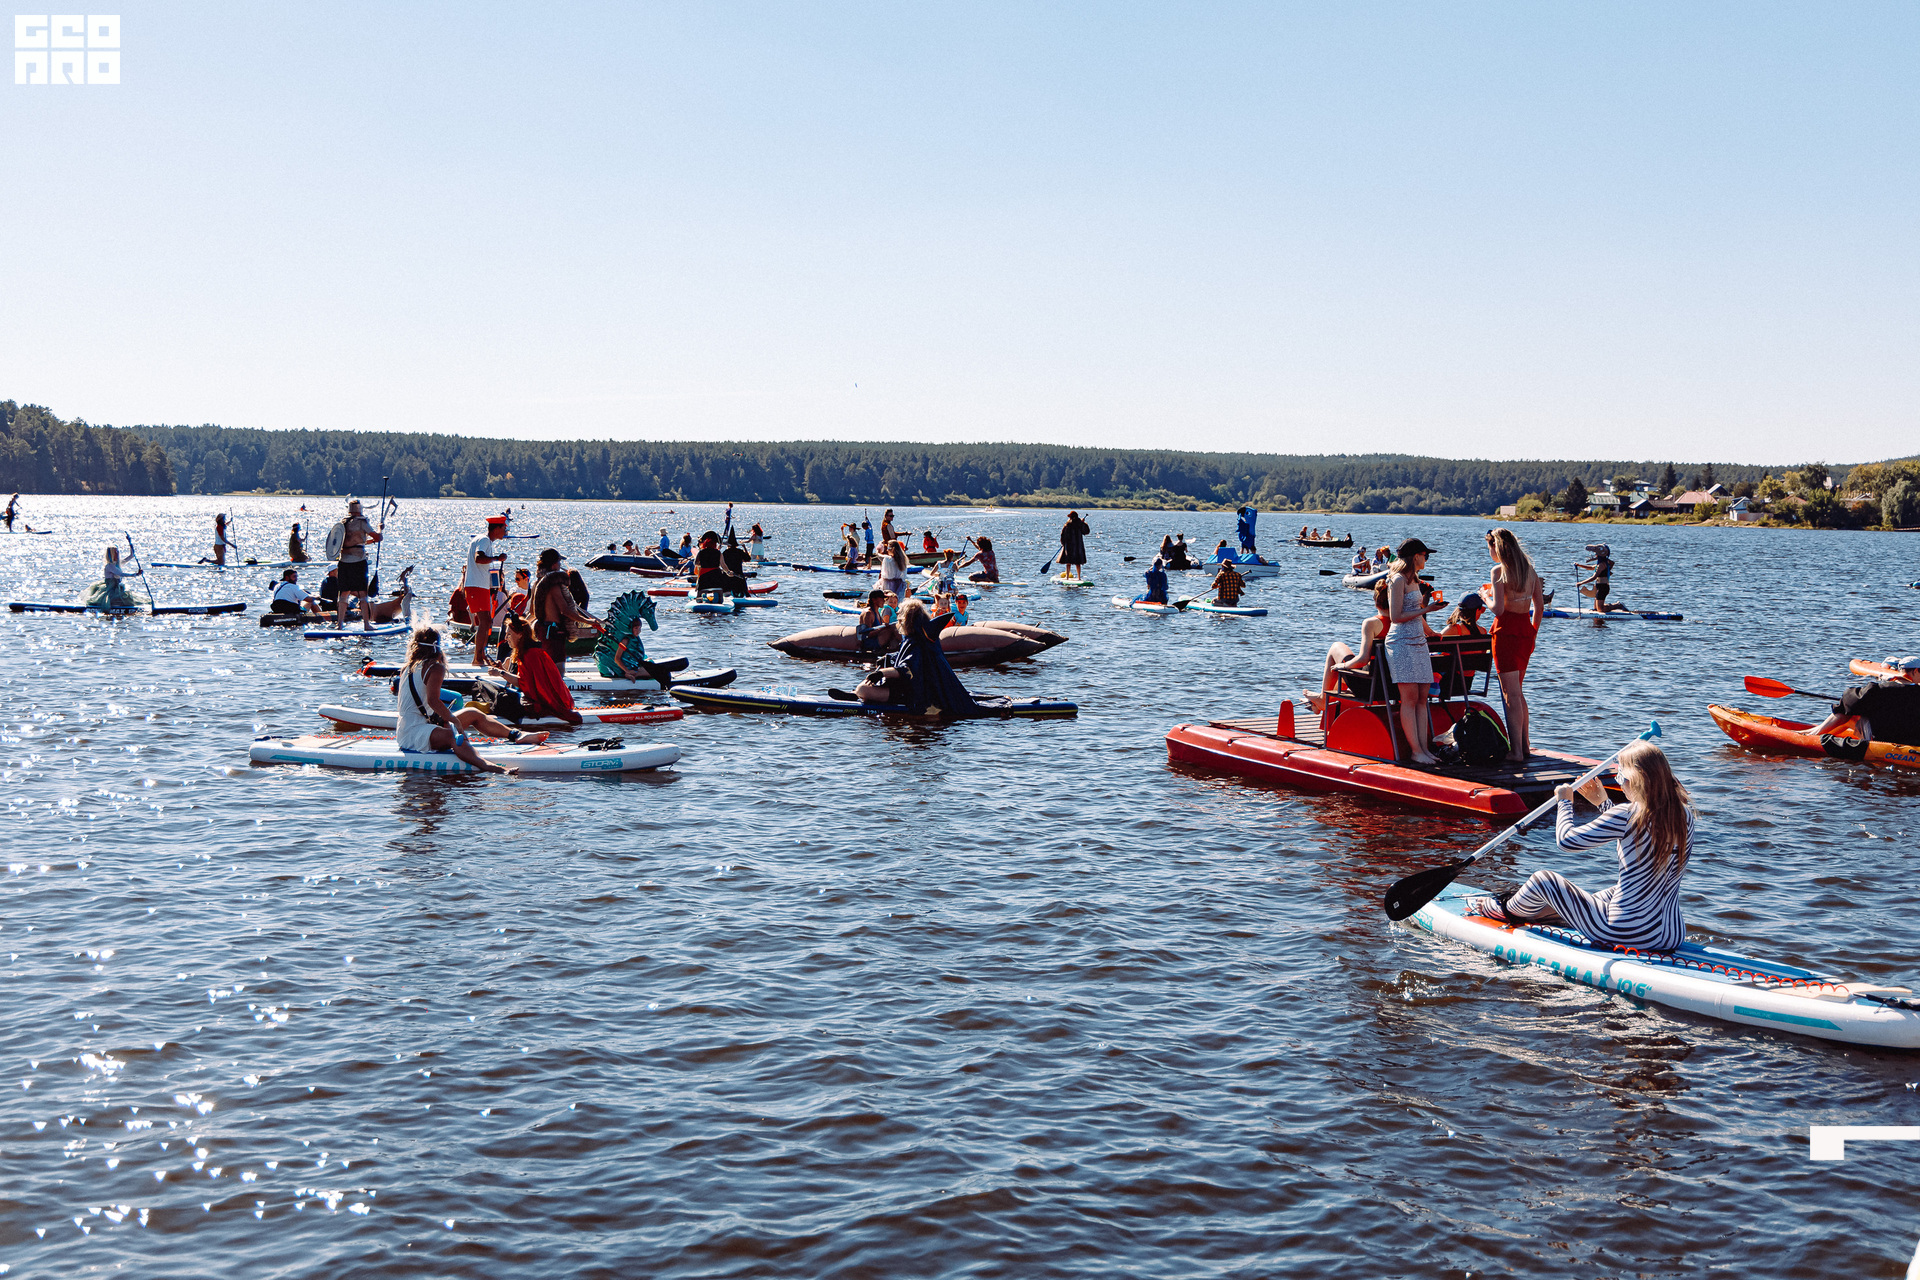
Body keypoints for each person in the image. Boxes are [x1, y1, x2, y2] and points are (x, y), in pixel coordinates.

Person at [1467, 740, 1693, 952]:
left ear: (1636, 779)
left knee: (1543, 880)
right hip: (1670, 934)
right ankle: (1553, 914)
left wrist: (1564, 801)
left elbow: (1566, 841)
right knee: (1616, 892)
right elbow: (1636, 835)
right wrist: (1602, 803)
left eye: (1620, 776)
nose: (1619, 783)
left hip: (1627, 933)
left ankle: (1501, 909)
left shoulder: (1626, 814)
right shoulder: (1683, 815)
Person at [395, 628, 522, 774]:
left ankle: (515, 735)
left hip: (410, 728)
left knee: (472, 713)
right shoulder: (435, 667)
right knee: (453, 736)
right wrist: (454, 720)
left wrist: (449, 719)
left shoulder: (406, 667)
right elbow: (433, 701)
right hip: (414, 732)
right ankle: (490, 766)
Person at [1487, 528, 1547, 764]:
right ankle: (1525, 745)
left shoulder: (1499, 571)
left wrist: (1485, 598)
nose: (1490, 552)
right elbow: (1539, 608)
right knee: (1518, 691)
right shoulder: (1529, 571)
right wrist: (1533, 632)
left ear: (1497, 547)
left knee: (1509, 694)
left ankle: (1517, 752)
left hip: (1506, 632)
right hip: (1525, 631)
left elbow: (1498, 609)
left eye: (1490, 547)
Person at [1386, 538, 1446, 764]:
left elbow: (1416, 612)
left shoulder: (1416, 580)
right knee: (1409, 698)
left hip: (1418, 641)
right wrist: (1429, 608)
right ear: (1415, 556)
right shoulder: (1397, 579)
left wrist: (1429, 631)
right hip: (1401, 642)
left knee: (1423, 697)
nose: (1427, 559)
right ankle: (1415, 751)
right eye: (1425, 555)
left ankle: (1425, 749)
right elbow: (1396, 617)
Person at [1305, 580, 1393, 713]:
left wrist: (1343, 666)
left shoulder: (1371, 623)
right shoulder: (1404, 624)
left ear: (1375, 599)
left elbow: (1363, 659)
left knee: (1336, 647)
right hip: (1394, 685)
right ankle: (1318, 704)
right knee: (1351, 665)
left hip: (1370, 686)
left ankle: (1323, 700)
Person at [488, 617, 583, 725]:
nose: (505, 638)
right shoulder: (525, 652)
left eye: (509, 634)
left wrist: (501, 673)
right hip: (535, 699)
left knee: (502, 701)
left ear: (520, 635)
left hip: (546, 703)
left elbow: (523, 683)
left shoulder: (532, 654)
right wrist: (502, 670)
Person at [531, 548, 605, 668]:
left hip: (542, 630)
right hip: (553, 632)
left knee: (546, 666)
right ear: (554, 565)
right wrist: (587, 621)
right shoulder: (553, 585)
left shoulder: (537, 583)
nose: (560, 565)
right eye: (559, 562)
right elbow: (565, 610)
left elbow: (532, 611)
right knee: (558, 668)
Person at [1809, 679, 1920, 748]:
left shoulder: (1880, 689)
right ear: (1915, 671)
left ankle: (1811, 736)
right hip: (1910, 739)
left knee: (1851, 716)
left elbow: (1851, 702)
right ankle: (1812, 733)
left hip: (1885, 740)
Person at [462, 516, 509, 666]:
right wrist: (497, 558)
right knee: (485, 621)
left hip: (478, 586)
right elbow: (478, 558)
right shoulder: (484, 540)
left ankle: (480, 656)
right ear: (496, 529)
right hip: (476, 586)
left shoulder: (484, 540)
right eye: (504, 528)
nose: (506, 531)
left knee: (486, 621)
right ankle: (478, 658)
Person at [334, 498, 381, 631]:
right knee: (362, 594)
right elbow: (378, 537)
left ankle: (340, 625)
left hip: (343, 561)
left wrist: (369, 541)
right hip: (358, 561)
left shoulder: (343, 523)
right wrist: (379, 528)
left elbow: (351, 542)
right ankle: (366, 624)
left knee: (343, 594)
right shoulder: (362, 522)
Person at [610, 615, 682, 687]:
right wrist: (627, 670)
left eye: (640, 628)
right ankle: (631, 674)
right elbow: (617, 658)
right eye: (636, 628)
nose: (638, 631)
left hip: (637, 665)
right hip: (629, 668)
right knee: (661, 673)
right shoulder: (625, 640)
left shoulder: (635, 639)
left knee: (662, 671)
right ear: (631, 628)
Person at [1575, 544, 1619, 613]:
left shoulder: (1602, 565)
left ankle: (1617, 605)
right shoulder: (1602, 563)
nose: (1595, 555)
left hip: (1603, 587)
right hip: (1599, 587)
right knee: (1596, 608)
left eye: (1596, 554)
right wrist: (1579, 565)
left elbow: (1594, 577)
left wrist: (1581, 583)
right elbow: (1591, 567)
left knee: (1601, 609)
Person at [1058, 511, 1090, 580]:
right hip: (1078, 546)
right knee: (1077, 562)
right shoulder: (1080, 524)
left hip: (1069, 546)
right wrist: (1083, 523)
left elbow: (1063, 535)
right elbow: (1086, 531)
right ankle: (1078, 577)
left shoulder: (1067, 524)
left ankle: (1067, 577)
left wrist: (1063, 543)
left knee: (1068, 562)